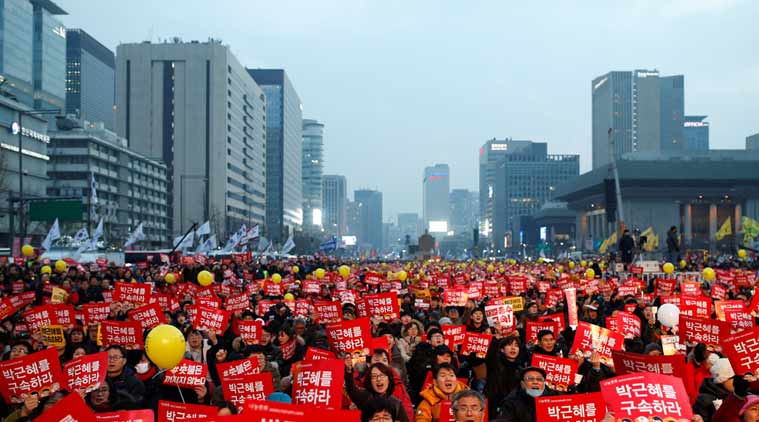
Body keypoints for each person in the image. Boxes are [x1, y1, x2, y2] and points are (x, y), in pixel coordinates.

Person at [344, 360, 409, 422]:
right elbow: (351, 390)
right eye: (374, 376)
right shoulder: (364, 397)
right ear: (370, 380)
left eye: (382, 375)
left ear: (389, 379)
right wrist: (348, 371)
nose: (379, 379)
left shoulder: (396, 403)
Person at [496, 366, 560, 422]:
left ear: (544, 383)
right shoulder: (511, 401)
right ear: (522, 384)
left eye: (539, 379)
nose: (535, 382)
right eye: (530, 379)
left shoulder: (556, 397)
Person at [105, 345, 146, 410]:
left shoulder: (135, 383)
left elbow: (136, 406)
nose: (111, 360)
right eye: (108, 357)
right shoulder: (97, 380)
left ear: (124, 361)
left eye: (116, 357)